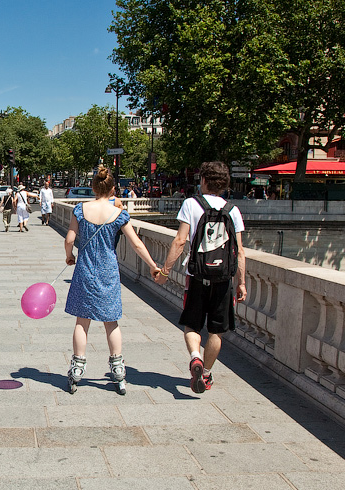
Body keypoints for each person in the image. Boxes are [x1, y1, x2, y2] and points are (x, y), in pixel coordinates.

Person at [64, 166, 161, 394]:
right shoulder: (119, 214)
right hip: (108, 272)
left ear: (93, 188)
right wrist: (153, 266)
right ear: (113, 190)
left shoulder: (80, 210)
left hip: (85, 271)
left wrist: (69, 256)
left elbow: (70, 239)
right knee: (111, 321)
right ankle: (117, 369)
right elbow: (137, 244)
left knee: (82, 321)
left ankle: (77, 367)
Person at [153, 161, 246, 394]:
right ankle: (205, 374)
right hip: (223, 280)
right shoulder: (233, 210)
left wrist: (165, 271)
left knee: (192, 325)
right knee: (216, 332)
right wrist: (242, 282)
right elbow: (240, 251)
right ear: (224, 184)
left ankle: (195, 358)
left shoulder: (191, 205)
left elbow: (180, 241)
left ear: (203, 180)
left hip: (196, 277)